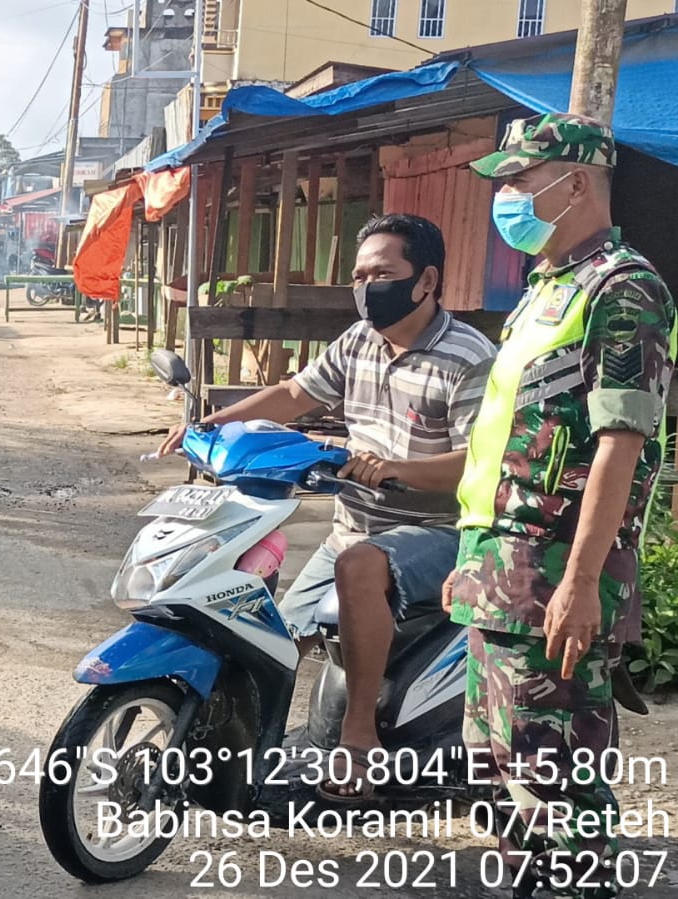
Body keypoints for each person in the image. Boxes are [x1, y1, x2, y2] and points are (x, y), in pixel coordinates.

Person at [159, 213, 495, 802]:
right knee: (270, 636)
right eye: (360, 275)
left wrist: (397, 469)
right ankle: (247, 753)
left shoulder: (469, 357)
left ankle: (358, 737)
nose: (367, 287)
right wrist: (208, 425)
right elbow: (294, 394)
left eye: (383, 273)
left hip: (440, 532)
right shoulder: (359, 340)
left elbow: (479, 463)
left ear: (426, 280)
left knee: (359, 564)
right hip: (354, 526)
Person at [448, 114, 675, 899]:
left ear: (573, 182)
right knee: (495, 760)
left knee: (556, 769)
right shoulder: (546, 288)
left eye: (517, 180)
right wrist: (469, 559)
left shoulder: (623, 289)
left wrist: (580, 582)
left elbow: (619, 445)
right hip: (498, 567)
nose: (504, 197)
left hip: (553, 573)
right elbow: (503, 437)